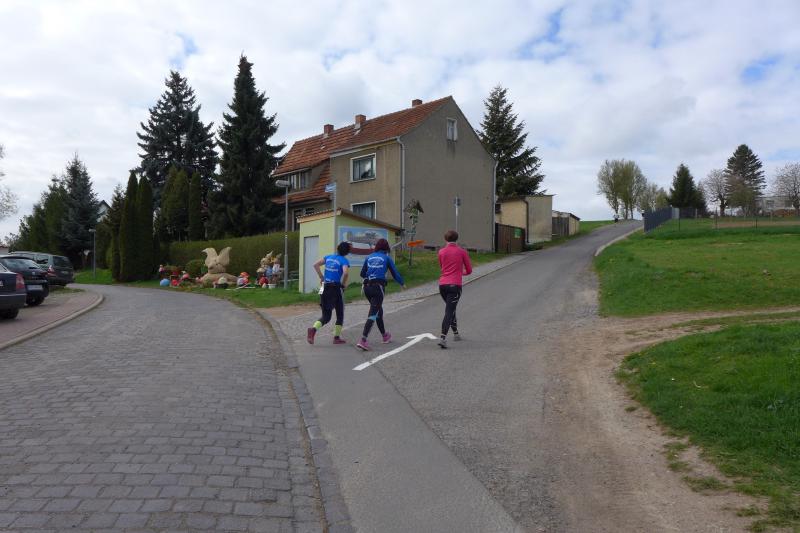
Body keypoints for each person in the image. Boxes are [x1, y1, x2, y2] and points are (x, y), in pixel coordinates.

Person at [355, 239, 407, 351]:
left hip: (367, 288)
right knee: (373, 313)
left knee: (378, 311)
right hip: (378, 288)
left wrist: (371, 273)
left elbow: (362, 273)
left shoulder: (369, 257)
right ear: (386, 248)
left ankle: (385, 335)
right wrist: (402, 283)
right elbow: (395, 273)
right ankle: (363, 340)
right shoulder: (386, 258)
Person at [307, 242, 351, 345]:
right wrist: (343, 285)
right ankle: (336, 337)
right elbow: (345, 273)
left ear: (337, 248)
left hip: (323, 287)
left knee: (326, 316)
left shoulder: (328, 257)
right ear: (347, 252)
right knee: (340, 313)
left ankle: (313, 330)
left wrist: (321, 277)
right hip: (334, 288)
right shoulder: (344, 260)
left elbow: (315, 265)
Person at [437, 230, 472, 349]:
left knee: (451, 309)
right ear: (457, 239)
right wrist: (460, 272)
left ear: (445, 239)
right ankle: (442, 338)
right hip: (455, 285)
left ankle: (456, 334)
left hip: (442, 285)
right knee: (449, 310)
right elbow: (469, 270)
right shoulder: (462, 252)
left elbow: (442, 267)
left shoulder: (441, 251)